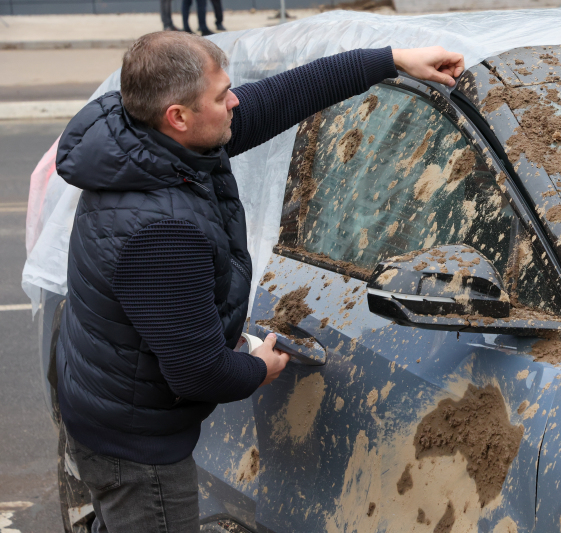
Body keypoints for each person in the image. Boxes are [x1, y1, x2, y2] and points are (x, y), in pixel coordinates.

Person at [54, 31, 464, 532]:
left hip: (105, 400)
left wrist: (390, 59)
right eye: (221, 96)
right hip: (136, 446)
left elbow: (281, 96)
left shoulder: (148, 142)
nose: (234, 103)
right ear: (178, 116)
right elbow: (198, 374)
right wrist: (257, 367)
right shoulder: (161, 229)